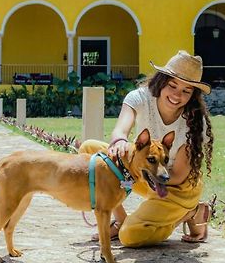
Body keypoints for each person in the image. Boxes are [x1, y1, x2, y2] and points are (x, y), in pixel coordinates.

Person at [79, 50, 214, 246]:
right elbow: (120, 130)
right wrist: (119, 143)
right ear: (162, 81)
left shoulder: (194, 123)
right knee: (89, 151)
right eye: (172, 85)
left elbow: (176, 175)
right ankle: (120, 218)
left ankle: (190, 212)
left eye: (186, 91)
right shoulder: (140, 98)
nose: (177, 95)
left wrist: (125, 177)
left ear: (193, 95)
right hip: (145, 172)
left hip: (176, 186)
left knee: (130, 237)